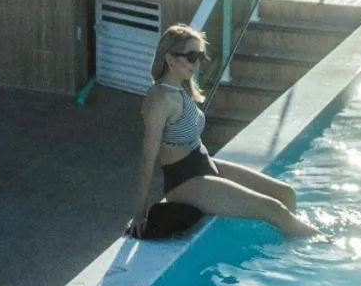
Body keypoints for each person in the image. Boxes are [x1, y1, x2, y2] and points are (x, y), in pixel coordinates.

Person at [131, 23, 318, 239]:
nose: (197, 62)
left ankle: (288, 239)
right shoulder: (159, 100)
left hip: (204, 163)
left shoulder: (179, 88)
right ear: (170, 58)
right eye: (191, 56)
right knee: (273, 208)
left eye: (200, 55)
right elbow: (148, 158)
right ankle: (322, 247)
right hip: (184, 181)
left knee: (286, 194)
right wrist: (139, 213)